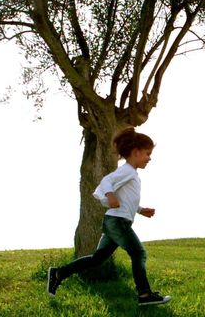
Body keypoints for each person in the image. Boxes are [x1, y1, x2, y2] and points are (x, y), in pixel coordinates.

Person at [47, 127, 171, 306]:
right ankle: (144, 295)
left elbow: (127, 198)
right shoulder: (127, 170)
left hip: (115, 221)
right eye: (147, 153)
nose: (149, 158)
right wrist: (110, 195)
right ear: (136, 152)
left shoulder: (131, 173)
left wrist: (140, 209)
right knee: (138, 253)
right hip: (117, 222)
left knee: (97, 260)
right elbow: (106, 181)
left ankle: (59, 273)